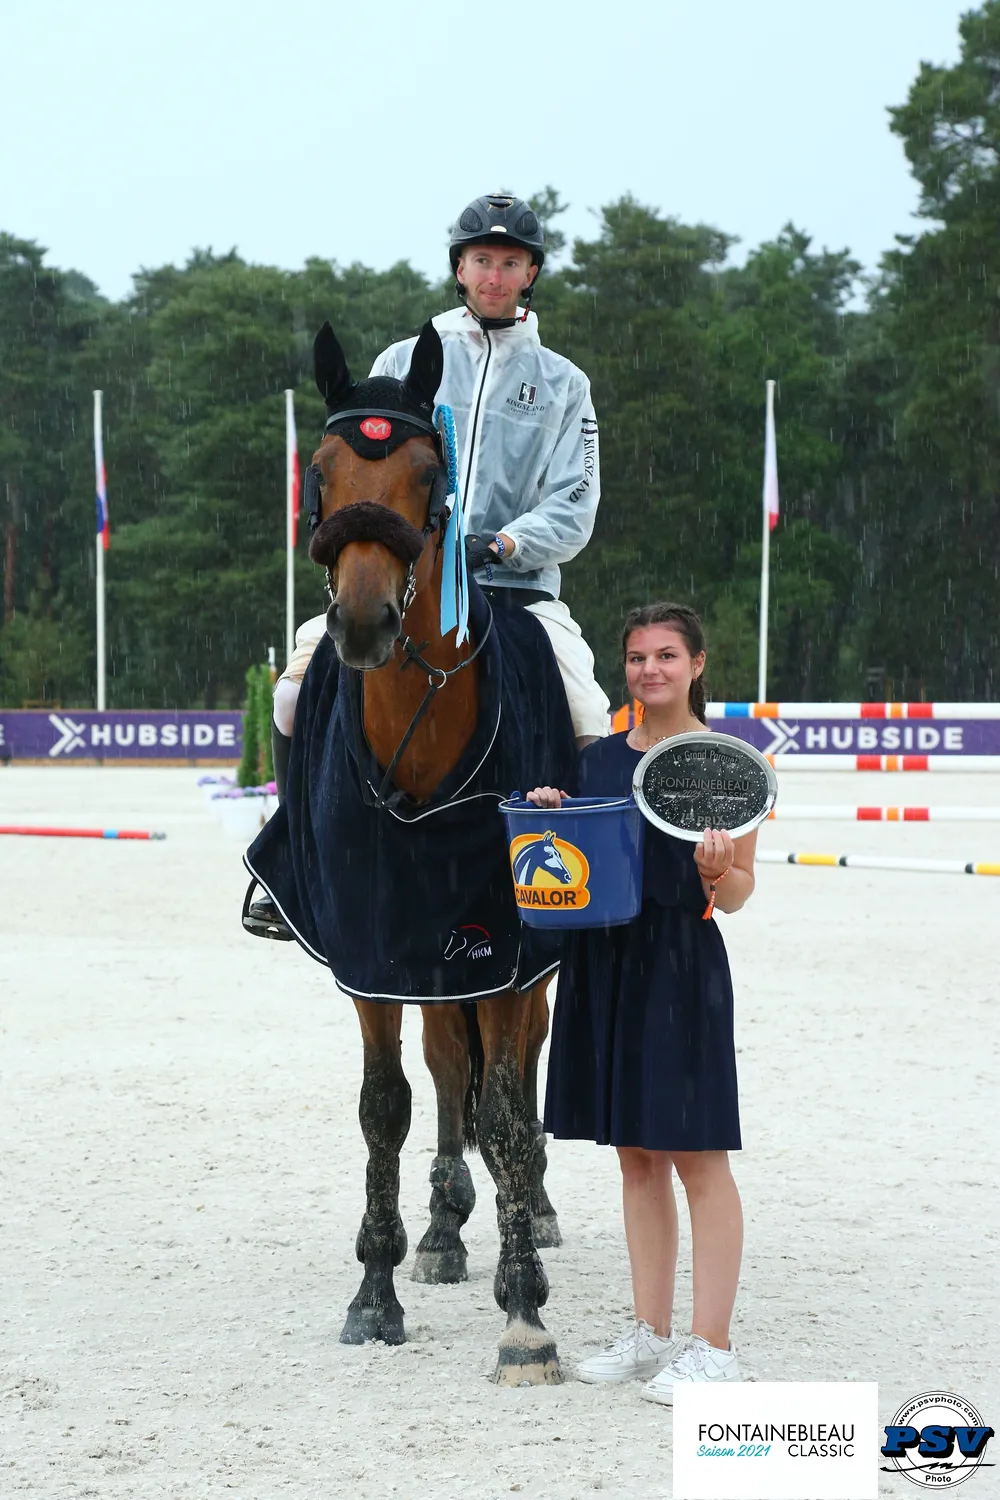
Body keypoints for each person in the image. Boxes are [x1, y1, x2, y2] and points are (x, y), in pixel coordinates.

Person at [249, 192, 610, 935]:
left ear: (531, 272)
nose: (495, 274)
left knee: (587, 713)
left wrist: (504, 543)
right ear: (460, 267)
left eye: (511, 262)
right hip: (400, 582)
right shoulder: (400, 362)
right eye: (482, 259)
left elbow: (575, 502)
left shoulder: (565, 382)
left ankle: (586, 867)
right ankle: (293, 857)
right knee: (290, 696)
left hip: (513, 586)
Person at [527, 602, 757, 1403]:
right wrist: (551, 823)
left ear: (697, 664)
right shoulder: (591, 763)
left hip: (679, 962)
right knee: (635, 1156)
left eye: (665, 656)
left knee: (698, 1157)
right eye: (635, 657)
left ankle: (714, 1347)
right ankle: (650, 1334)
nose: (649, 670)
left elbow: (737, 899)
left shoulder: (729, 766)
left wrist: (717, 871)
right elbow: (570, 877)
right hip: (605, 964)